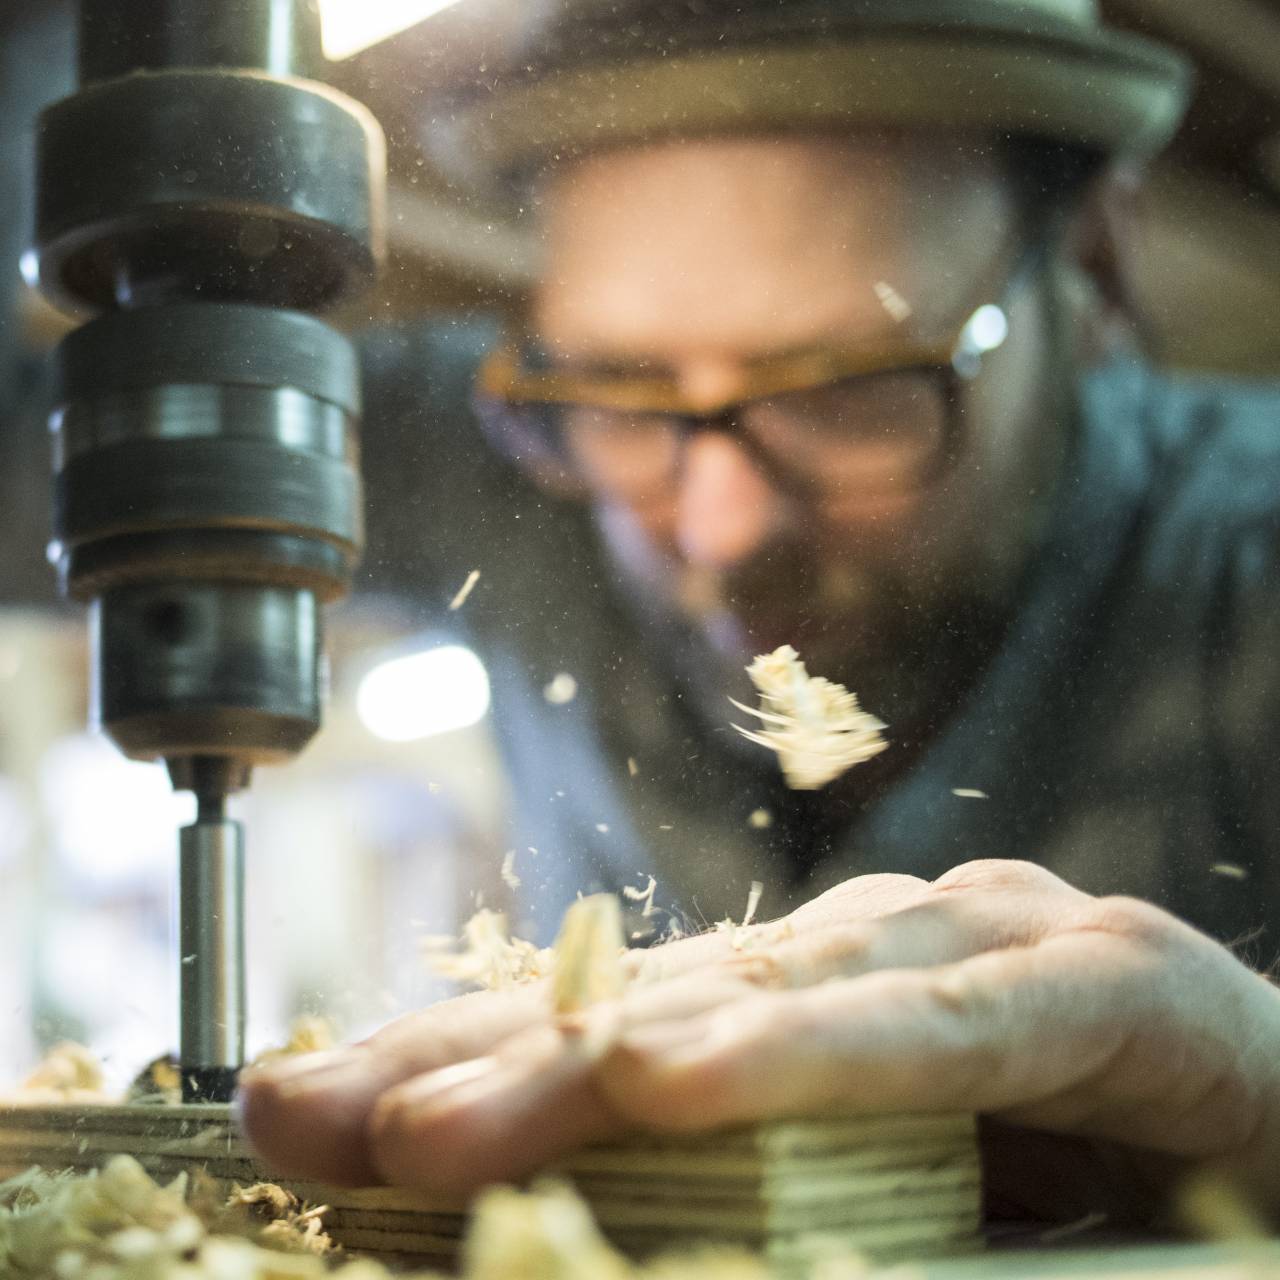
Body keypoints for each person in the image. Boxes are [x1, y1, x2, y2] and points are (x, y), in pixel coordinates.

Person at [241, 0, 1280, 1225]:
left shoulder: (1245, 553)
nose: (722, 526)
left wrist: (1255, 1088)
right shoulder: (506, 442)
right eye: (627, 393)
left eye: (851, 391)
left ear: (1093, 269)